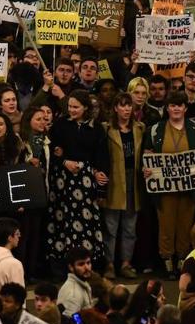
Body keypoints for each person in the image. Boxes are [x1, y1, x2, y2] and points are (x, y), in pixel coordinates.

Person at [143, 92, 195, 276]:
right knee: (166, 224)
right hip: (164, 187)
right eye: (172, 105)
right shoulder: (156, 129)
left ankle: (182, 258)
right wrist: (148, 168)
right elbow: (148, 153)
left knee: (185, 223)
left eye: (180, 105)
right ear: (167, 108)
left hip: (189, 186)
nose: (176, 109)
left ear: (185, 108)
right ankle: (167, 260)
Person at [46, 90, 108, 272]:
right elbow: (51, 150)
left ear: (85, 108)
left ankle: (86, 264)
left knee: (86, 222)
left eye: (76, 107)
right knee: (62, 222)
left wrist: (101, 181)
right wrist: (64, 162)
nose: (71, 110)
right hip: (63, 183)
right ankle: (62, 265)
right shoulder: (60, 125)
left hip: (87, 182)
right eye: (70, 106)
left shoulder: (96, 128)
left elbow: (101, 156)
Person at [102, 93, 144, 280]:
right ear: (115, 108)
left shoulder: (140, 128)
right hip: (114, 181)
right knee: (110, 228)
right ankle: (109, 264)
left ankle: (126, 263)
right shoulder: (106, 129)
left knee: (130, 228)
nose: (127, 109)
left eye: (129, 106)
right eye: (122, 105)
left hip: (133, 181)